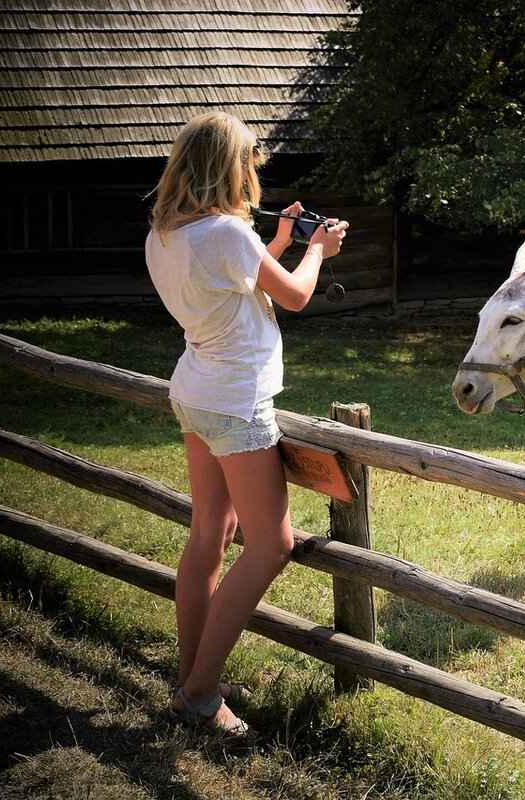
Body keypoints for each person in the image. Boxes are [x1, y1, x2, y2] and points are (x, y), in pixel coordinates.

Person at [145, 111, 347, 736]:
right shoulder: (228, 235)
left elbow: (236, 287)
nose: (253, 175)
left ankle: (189, 678)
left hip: (196, 392)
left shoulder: (166, 234)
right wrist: (315, 249)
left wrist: (279, 243)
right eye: (249, 164)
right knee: (271, 546)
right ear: (229, 168)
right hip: (236, 402)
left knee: (210, 529)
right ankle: (202, 692)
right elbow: (292, 296)